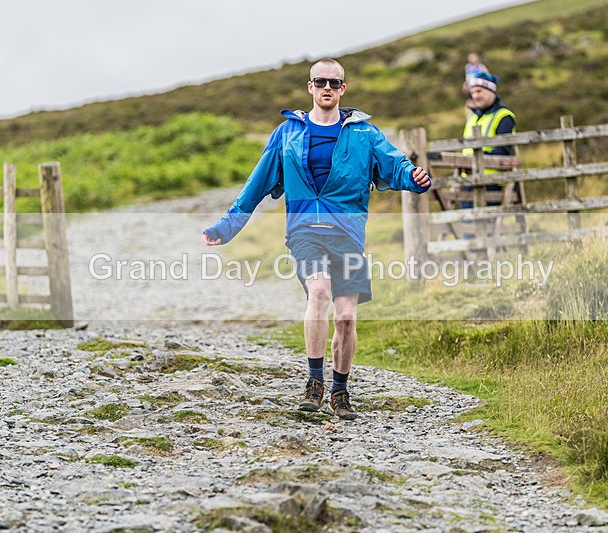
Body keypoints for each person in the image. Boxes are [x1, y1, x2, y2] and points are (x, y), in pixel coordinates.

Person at [203, 58, 431, 420]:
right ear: (310, 87)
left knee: (346, 318)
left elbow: (395, 165)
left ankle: (340, 391)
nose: (328, 88)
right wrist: (227, 226)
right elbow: (257, 184)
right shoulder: (287, 133)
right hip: (305, 231)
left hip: (348, 234)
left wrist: (413, 178)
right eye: (320, 81)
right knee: (320, 292)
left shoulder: (364, 133)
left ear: (344, 89)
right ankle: (314, 383)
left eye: (335, 83)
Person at [460, 71, 516, 210]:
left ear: (491, 91)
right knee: (466, 228)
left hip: (491, 183)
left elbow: (502, 151)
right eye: (472, 92)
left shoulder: (504, 116)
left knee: (486, 229)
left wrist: (472, 162)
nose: (475, 96)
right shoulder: (472, 117)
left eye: (479, 91)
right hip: (467, 182)